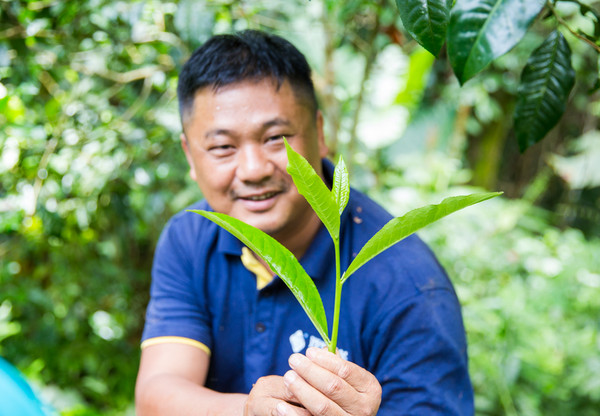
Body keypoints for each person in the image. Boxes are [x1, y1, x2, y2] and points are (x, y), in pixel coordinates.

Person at [135, 30, 474, 416]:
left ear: (320, 132)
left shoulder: (409, 286)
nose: (253, 170)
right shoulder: (191, 238)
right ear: (190, 156)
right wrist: (251, 411)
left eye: (276, 138)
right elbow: (156, 395)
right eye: (223, 147)